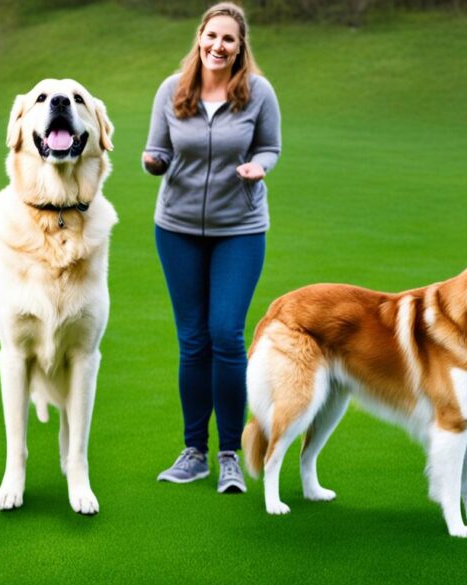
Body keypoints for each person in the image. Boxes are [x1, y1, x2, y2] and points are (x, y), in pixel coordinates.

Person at [142, 2, 281, 493]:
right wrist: (153, 161)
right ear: (199, 37)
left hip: (239, 228)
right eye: (211, 36)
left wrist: (259, 167)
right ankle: (192, 452)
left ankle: (229, 454)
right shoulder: (172, 89)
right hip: (176, 229)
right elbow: (157, 148)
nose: (218, 46)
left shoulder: (258, 93)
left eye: (229, 39)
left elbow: (271, 147)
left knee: (226, 334)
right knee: (193, 340)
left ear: (241, 47)